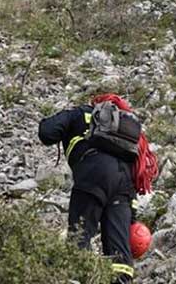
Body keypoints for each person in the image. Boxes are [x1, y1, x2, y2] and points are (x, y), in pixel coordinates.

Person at [38, 93, 158, 284]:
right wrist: (131, 219)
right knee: (120, 256)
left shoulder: (79, 113)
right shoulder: (123, 132)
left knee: (80, 237)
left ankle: (78, 276)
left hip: (93, 173)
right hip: (124, 183)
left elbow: (47, 133)